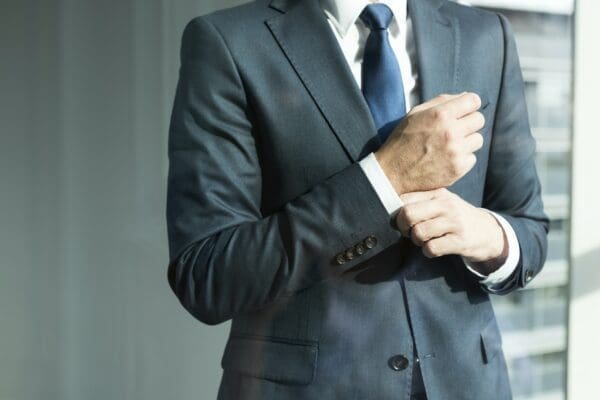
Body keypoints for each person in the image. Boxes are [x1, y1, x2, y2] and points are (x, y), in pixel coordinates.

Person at [165, 0, 549, 398]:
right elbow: (207, 275)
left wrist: (488, 236)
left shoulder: (486, 36)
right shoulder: (229, 41)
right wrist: (385, 179)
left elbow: (530, 232)